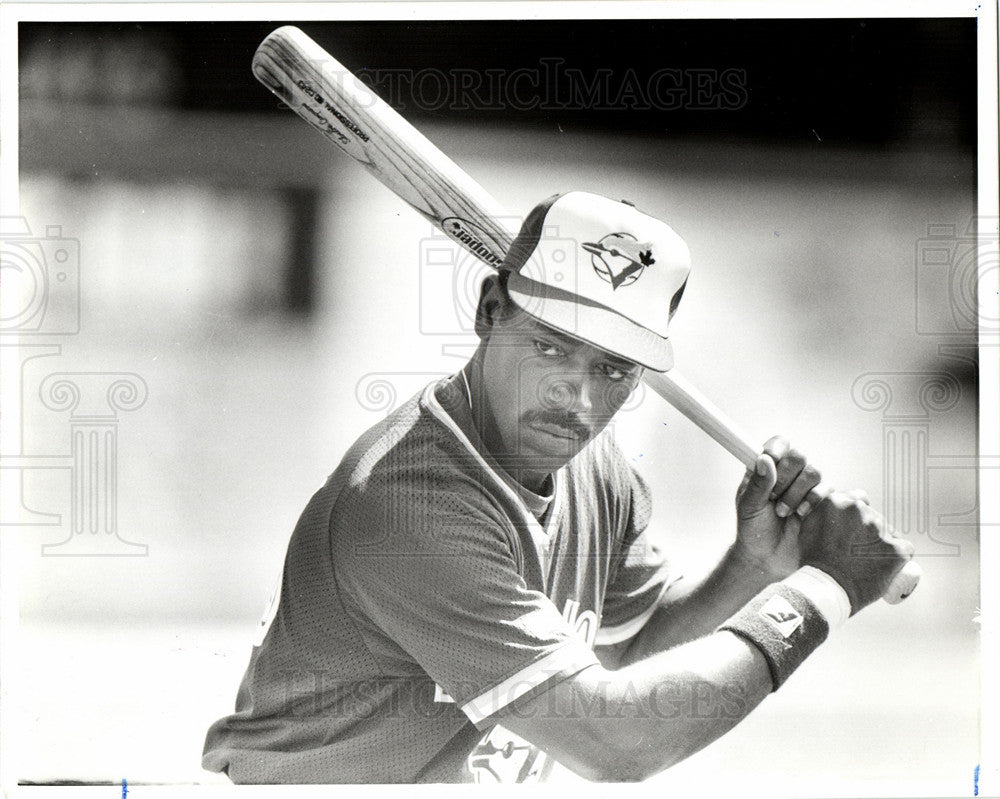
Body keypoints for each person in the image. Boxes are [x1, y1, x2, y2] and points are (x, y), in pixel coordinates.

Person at [201, 192, 914, 783]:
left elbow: (624, 654)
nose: (575, 397)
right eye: (549, 346)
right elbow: (615, 742)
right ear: (489, 310)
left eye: (612, 368)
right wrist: (824, 591)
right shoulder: (409, 506)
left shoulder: (597, 473)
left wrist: (754, 567)